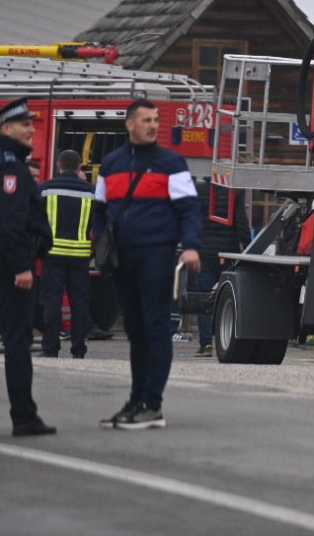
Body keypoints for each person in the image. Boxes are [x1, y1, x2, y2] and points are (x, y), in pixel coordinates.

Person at [96, 98, 200, 430]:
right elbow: (99, 209)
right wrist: (98, 240)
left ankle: (152, 405)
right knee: (134, 329)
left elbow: (189, 209)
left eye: (156, 120)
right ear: (130, 125)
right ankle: (136, 400)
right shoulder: (110, 164)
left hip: (156, 253)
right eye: (146, 120)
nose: (153, 125)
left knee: (155, 328)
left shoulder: (171, 163)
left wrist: (191, 246)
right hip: (121, 258)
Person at [0, 99, 56, 435]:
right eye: (25, 125)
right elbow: (7, 225)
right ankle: (24, 417)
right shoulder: (11, 168)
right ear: (7, 128)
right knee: (18, 344)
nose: (32, 129)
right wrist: (21, 267)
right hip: (9, 271)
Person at [38, 149, 100, 358]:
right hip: (80, 256)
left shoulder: (45, 189)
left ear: (59, 166)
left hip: (53, 254)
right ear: (79, 167)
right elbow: (97, 227)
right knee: (79, 304)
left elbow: (34, 221)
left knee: (52, 302)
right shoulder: (91, 192)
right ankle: (79, 349)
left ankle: (50, 348)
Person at [189, 179, 250, 358]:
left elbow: (192, 221)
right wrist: (248, 248)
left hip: (204, 252)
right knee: (227, 298)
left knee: (205, 298)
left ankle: (206, 344)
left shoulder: (198, 191)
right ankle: (227, 339)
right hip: (227, 253)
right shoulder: (234, 192)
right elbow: (242, 224)